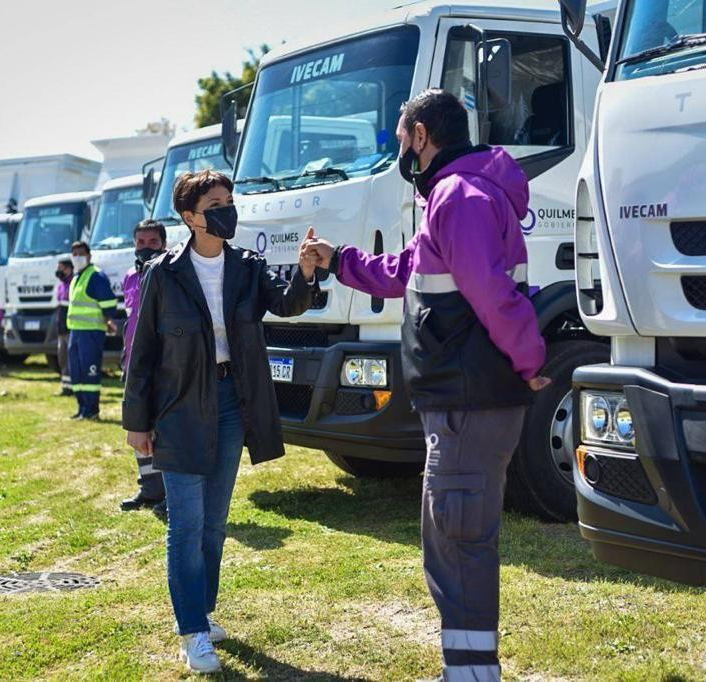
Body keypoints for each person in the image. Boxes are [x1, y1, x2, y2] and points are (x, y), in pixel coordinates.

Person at [302, 89, 550, 682]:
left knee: (458, 539)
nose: (398, 150)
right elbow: (409, 271)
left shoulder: (456, 195)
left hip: (470, 399)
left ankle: (469, 673)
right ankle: (466, 668)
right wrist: (339, 261)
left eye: (399, 138)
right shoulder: (457, 193)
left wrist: (531, 358)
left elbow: (491, 294)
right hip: (464, 399)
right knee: (451, 536)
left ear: (420, 134)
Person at [122, 170, 319, 674]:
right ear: (190, 217)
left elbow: (289, 304)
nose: (226, 209)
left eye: (229, 201)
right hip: (179, 405)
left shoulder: (248, 267)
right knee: (185, 524)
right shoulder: (164, 274)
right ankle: (191, 631)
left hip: (234, 400)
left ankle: (201, 614)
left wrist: (307, 271)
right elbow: (143, 354)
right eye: (215, 203)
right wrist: (136, 422)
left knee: (213, 523)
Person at [119, 219, 168, 518]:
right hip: (133, 364)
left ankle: (170, 492)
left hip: (161, 365)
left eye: (152, 242)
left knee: (163, 431)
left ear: (163, 243)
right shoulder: (129, 276)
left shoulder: (170, 273)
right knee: (137, 426)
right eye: (141, 243)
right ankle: (149, 488)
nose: (146, 248)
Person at [67, 241, 118, 420]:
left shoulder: (96, 276)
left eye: (80, 254)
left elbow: (109, 303)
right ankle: (82, 408)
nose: (77, 258)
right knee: (76, 372)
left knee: (89, 371)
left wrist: (108, 319)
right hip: (75, 331)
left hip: (92, 332)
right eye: (74, 254)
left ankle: (91, 410)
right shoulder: (76, 277)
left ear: (89, 256)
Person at [54, 259, 74, 396]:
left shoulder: (74, 283)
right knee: (62, 358)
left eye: (61, 268)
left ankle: (73, 387)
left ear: (68, 269)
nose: (58, 271)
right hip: (61, 330)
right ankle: (65, 387)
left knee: (71, 359)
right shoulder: (61, 286)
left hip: (71, 329)